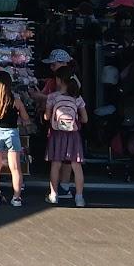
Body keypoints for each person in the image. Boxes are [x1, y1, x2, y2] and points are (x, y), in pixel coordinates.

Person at [0, 70, 30, 207]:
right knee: (15, 167)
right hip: (12, 133)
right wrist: (19, 119)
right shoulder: (16, 101)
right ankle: (16, 198)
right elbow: (26, 119)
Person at [32, 49, 76, 199]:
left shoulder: (64, 82)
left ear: (65, 64)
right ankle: (64, 188)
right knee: (68, 158)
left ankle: (56, 191)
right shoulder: (68, 80)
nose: (51, 68)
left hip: (58, 125)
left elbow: (54, 98)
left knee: (58, 159)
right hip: (70, 127)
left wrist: (40, 97)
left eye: (54, 64)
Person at [46, 70, 88, 207]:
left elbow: (47, 117)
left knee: (56, 164)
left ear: (58, 80)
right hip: (73, 134)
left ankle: (53, 195)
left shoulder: (52, 97)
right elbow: (86, 119)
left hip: (57, 134)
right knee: (76, 165)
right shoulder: (77, 98)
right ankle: (79, 198)